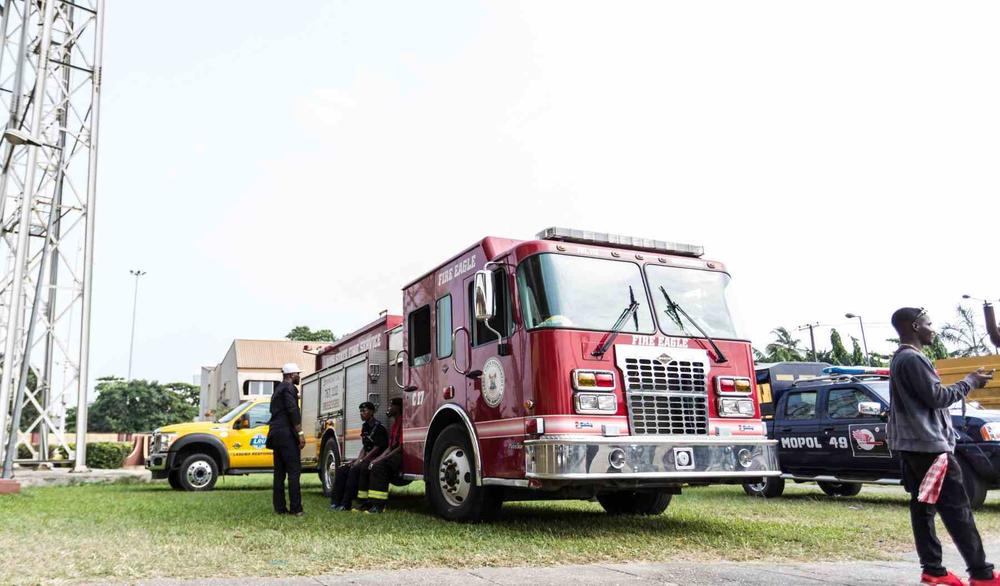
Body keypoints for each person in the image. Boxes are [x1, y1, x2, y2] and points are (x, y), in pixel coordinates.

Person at [888, 307, 997, 586]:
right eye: (928, 323)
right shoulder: (913, 359)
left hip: (913, 446)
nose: (933, 328)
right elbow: (937, 397)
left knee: (923, 506)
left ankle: (933, 570)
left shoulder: (900, 359)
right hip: (930, 448)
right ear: (915, 326)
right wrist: (969, 381)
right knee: (957, 508)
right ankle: (982, 574)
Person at [330, 401, 388, 511]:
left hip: (376, 458)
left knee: (354, 470)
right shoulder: (365, 427)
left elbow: (377, 448)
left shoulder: (379, 428)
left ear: (371, 412)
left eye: (364, 411)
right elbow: (365, 447)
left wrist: (362, 460)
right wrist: (357, 459)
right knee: (342, 469)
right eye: (360, 411)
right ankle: (335, 502)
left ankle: (346, 504)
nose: (361, 413)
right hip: (365, 458)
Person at [266, 363, 305, 516]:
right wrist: (300, 433)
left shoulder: (278, 389)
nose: (299, 376)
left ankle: (280, 508)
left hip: (275, 434)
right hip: (287, 435)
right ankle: (296, 509)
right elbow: (292, 410)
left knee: (279, 473)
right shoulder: (289, 388)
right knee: (294, 472)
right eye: (297, 374)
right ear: (290, 375)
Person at [363, 397, 404, 513]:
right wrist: (377, 459)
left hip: (401, 456)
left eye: (391, 405)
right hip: (393, 454)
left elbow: (400, 447)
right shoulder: (395, 423)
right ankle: (371, 502)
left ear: (398, 408)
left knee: (379, 467)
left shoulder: (403, 422)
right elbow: (390, 447)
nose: (389, 408)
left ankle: (379, 505)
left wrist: (382, 460)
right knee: (372, 464)